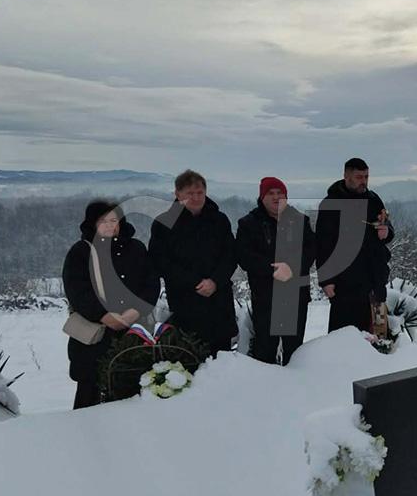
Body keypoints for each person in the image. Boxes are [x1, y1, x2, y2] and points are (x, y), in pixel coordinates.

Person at [62, 200, 160, 409]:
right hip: (95, 337)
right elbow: (77, 290)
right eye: (103, 221)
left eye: (113, 220)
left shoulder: (136, 248)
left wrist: (137, 310)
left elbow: (150, 283)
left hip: (133, 333)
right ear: (92, 224)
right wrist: (103, 315)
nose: (109, 225)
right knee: (89, 394)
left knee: (133, 390)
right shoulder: (80, 252)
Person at [148, 170, 237, 355]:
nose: (196, 198)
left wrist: (214, 281)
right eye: (190, 193)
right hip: (184, 300)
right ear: (177, 194)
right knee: (188, 356)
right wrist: (193, 282)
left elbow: (230, 255)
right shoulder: (164, 223)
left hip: (218, 300)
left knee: (222, 358)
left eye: (200, 193)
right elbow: (160, 261)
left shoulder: (219, 220)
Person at [236, 177, 316, 365]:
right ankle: (266, 389)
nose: (276, 197)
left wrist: (292, 269)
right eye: (271, 193)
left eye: (280, 193)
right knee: (265, 349)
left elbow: (311, 249)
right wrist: (270, 269)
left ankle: (295, 389)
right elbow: (243, 255)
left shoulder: (299, 220)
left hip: (296, 295)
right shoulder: (249, 223)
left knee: (295, 352)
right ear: (262, 197)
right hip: (266, 296)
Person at [315, 157, 394, 333]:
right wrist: (326, 280)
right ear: (346, 176)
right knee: (344, 338)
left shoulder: (374, 200)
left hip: (375, 283)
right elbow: (323, 245)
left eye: (366, 177)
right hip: (345, 285)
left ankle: (381, 360)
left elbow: (387, 227)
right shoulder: (331, 204)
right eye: (359, 177)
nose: (364, 181)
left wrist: (386, 231)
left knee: (380, 336)